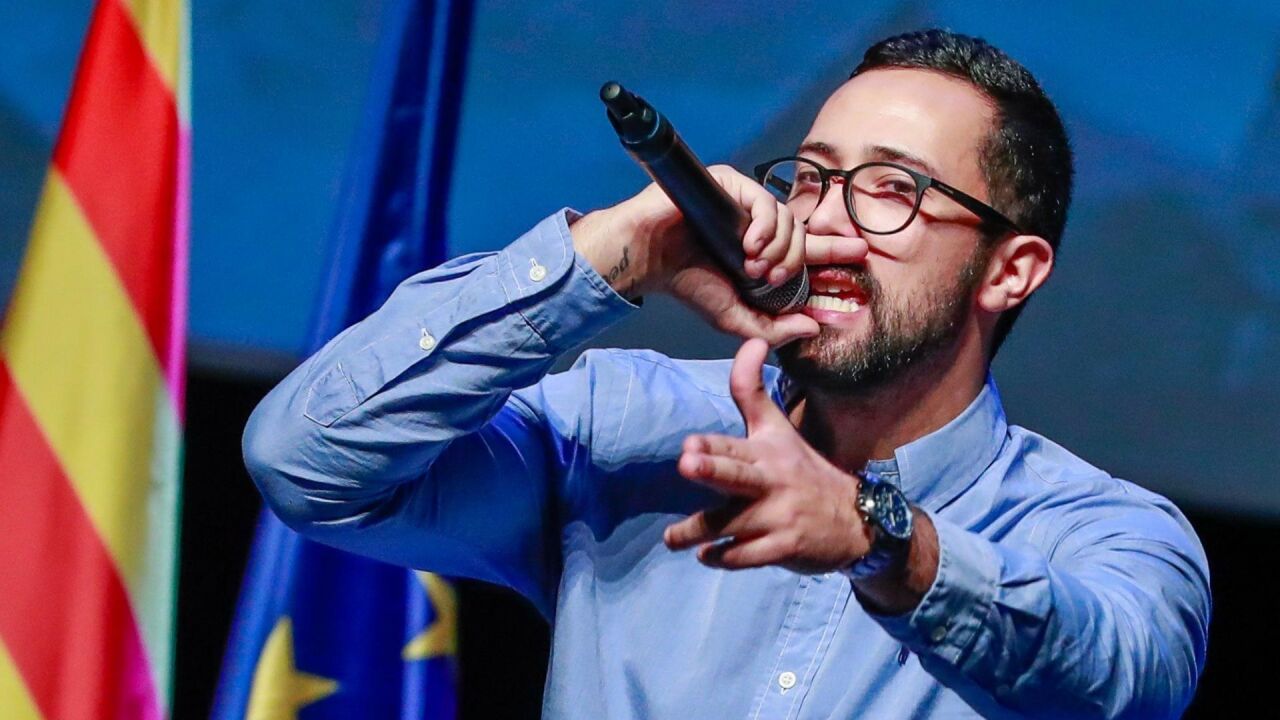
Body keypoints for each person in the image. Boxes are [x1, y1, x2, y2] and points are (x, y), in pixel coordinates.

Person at [244, 29, 1210, 718]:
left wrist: (878, 539)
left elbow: (1122, 678)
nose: (824, 222)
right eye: (813, 178)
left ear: (1011, 271)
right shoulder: (626, 422)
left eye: (892, 190)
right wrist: (613, 253)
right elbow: (307, 460)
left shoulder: (1102, 531)